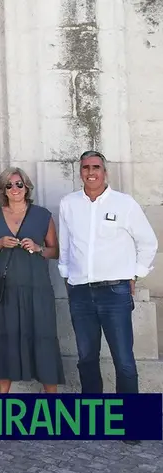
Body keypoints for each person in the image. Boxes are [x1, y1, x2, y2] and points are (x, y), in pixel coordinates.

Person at [59, 151, 157, 403]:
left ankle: (130, 420)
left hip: (115, 293)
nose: (91, 172)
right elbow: (66, 246)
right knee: (87, 358)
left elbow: (148, 242)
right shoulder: (69, 204)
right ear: (79, 171)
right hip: (80, 292)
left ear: (105, 171)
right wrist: (67, 276)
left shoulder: (124, 204)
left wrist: (136, 273)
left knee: (123, 359)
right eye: (85, 167)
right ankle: (93, 417)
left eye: (96, 167)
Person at [0, 168, 65, 393]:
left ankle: (52, 403)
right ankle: (2, 404)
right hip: (5, 291)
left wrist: (38, 248)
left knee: (43, 338)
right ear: (3, 190)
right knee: (5, 339)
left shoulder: (42, 215)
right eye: (9, 185)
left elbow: (55, 251)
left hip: (37, 288)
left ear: (27, 187)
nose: (15, 189)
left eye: (19, 184)